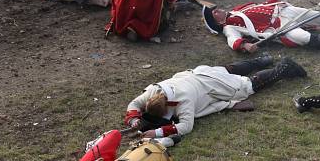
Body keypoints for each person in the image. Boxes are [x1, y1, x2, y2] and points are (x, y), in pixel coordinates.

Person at [125, 56, 307, 145]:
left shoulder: (183, 101)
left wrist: (155, 133)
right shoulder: (154, 92)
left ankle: (283, 67)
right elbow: (134, 104)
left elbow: (186, 126)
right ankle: (262, 59)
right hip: (200, 73)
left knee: (247, 86)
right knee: (227, 69)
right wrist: (133, 119)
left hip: (211, 85)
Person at [202, 0, 320, 56]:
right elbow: (233, 41)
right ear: (217, 22)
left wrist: (275, 2)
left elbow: (261, 5)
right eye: (215, 13)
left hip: (285, 11)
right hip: (279, 29)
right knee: (303, 38)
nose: (218, 10)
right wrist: (244, 46)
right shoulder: (228, 27)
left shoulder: (238, 7)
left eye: (216, 8)